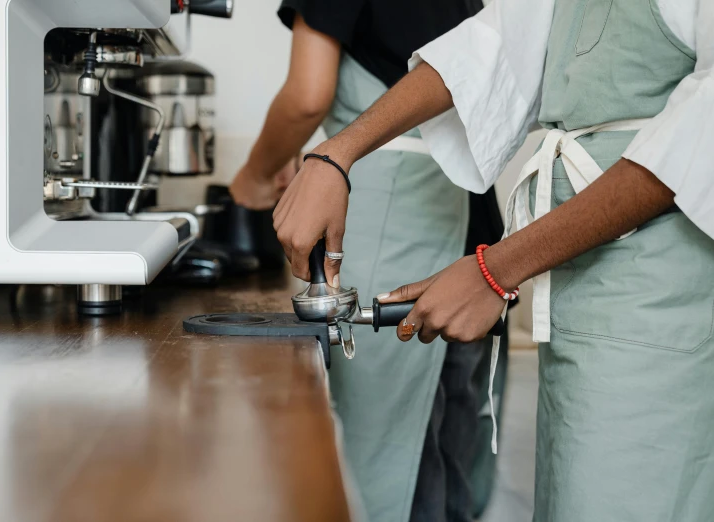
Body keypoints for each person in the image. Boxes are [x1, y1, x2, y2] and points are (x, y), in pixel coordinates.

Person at [272, 0, 714, 520]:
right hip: (579, 284)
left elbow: (696, 142)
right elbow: (490, 47)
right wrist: (336, 155)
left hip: (661, 291)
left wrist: (496, 269)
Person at [229, 1, 506, 521]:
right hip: (474, 228)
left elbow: (306, 98)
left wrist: (252, 178)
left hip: (393, 218)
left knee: (390, 457)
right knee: (449, 454)